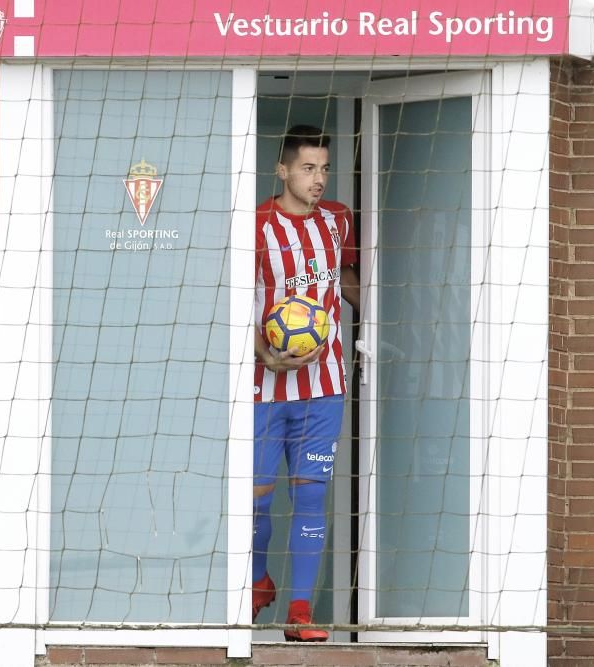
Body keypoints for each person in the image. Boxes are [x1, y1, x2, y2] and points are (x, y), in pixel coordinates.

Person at [251, 125, 359, 642]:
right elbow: (234, 297)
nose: (318, 179)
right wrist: (265, 355)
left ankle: (300, 614)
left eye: (324, 169)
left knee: (311, 496)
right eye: (308, 168)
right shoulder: (255, 227)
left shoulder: (338, 220)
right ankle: (257, 581)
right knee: (255, 496)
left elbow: (349, 279)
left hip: (325, 386)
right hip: (266, 387)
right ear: (283, 170)